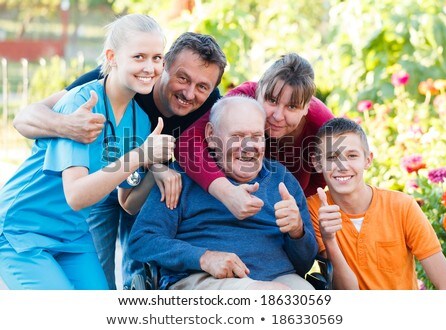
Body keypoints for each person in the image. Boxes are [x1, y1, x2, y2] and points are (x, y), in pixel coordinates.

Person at [12, 32, 227, 289]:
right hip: (98, 181)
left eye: (203, 86)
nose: (190, 93)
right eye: (182, 78)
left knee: (138, 269)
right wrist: (69, 125)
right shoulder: (116, 80)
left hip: (142, 181)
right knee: (98, 272)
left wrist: (156, 166)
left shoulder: (211, 104)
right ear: (164, 66)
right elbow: (24, 119)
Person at [0, 14, 176, 289]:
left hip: (73, 234)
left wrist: (155, 167)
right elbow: (77, 195)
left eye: (156, 58)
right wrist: (140, 155)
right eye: (139, 56)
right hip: (23, 229)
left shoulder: (140, 121)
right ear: (113, 56)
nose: (150, 67)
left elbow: (127, 202)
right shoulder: (82, 102)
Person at [128, 96, 318, 290]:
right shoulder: (180, 178)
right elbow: (142, 240)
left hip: (280, 278)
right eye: (237, 136)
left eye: (256, 136)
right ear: (211, 135)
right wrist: (203, 257)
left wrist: (297, 231)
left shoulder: (282, 180)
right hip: (204, 278)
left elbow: (305, 263)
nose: (249, 146)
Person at [175, 53, 334, 221]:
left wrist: (298, 212)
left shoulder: (322, 125)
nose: (278, 116)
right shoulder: (241, 99)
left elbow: (326, 177)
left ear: (307, 107)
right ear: (258, 90)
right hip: (224, 203)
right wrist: (227, 193)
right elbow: (187, 144)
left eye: (292, 107)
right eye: (271, 100)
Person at [307, 117, 446, 289]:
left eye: (352, 155)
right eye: (331, 157)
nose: (342, 166)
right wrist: (329, 239)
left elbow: (445, 281)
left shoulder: (402, 206)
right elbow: (347, 292)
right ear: (317, 163)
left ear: (368, 160)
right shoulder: (316, 210)